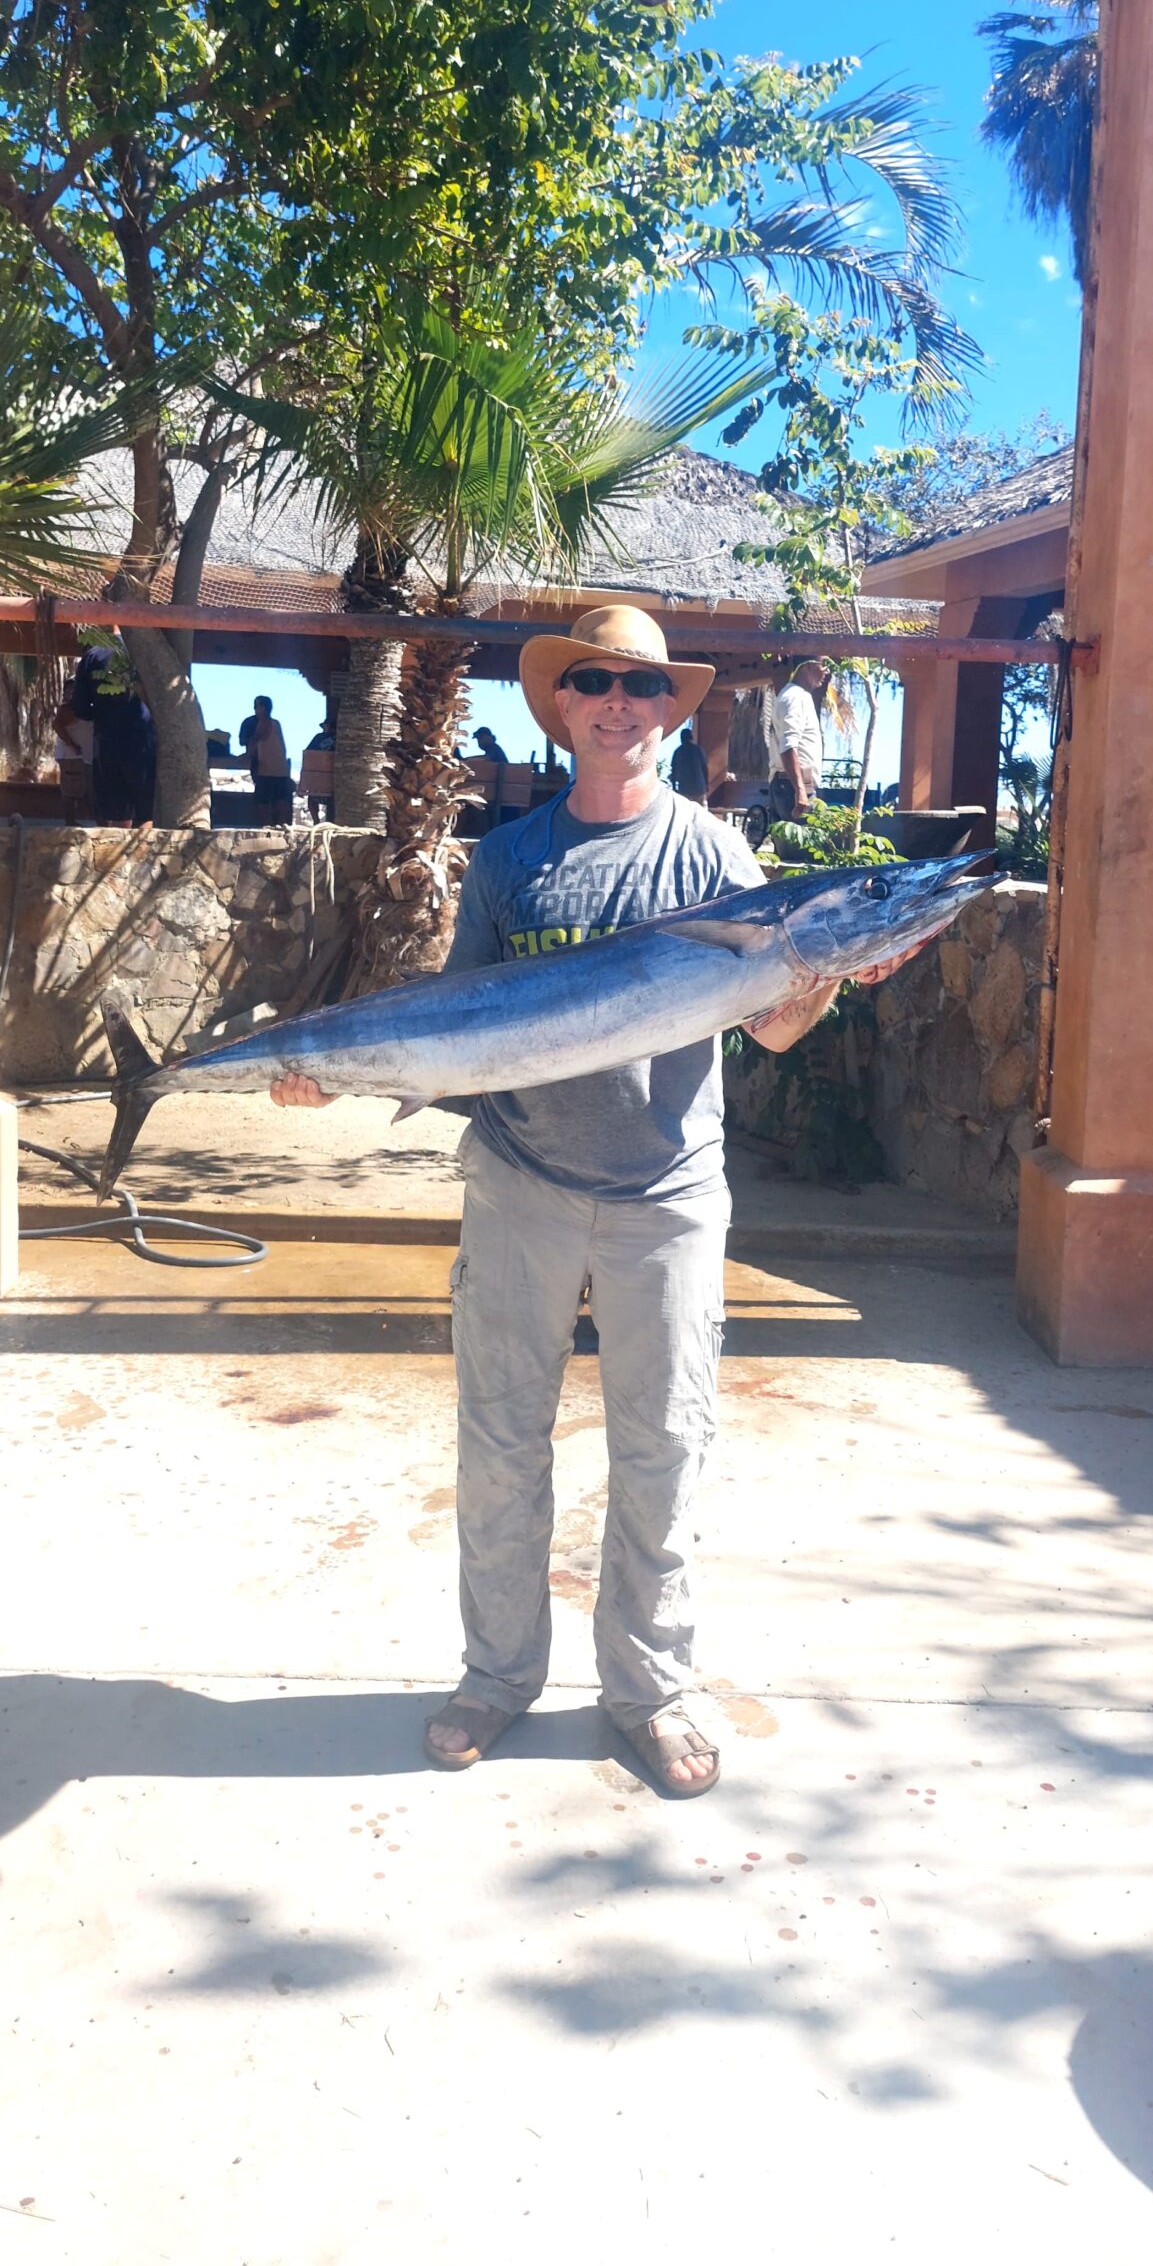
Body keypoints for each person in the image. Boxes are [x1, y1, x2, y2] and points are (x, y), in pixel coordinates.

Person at [269, 605, 909, 1796]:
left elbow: (770, 1022)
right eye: (597, 682)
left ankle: (649, 1689)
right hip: (519, 1188)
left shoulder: (717, 860)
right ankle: (497, 1676)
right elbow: (458, 1023)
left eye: (645, 685)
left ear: (671, 708)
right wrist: (333, 1068)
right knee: (501, 1443)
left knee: (664, 1449)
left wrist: (819, 971)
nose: (621, 702)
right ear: (564, 707)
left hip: (667, 1196)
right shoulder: (512, 860)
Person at [71, 646, 156, 826]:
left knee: (118, 814)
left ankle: (122, 852)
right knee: (146, 813)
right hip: (144, 739)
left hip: (108, 740)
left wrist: (103, 711)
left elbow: (80, 707)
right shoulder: (148, 650)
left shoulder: (92, 656)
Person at [771, 657, 826, 817]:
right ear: (808, 666)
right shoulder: (796, 697)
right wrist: (800, 791)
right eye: (823, 664)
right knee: (806, 841)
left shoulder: (790, 695)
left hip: (788, 785)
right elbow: (788, 746)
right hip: (794, 788)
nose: (826, 671)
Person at [241, 694, 293, 824]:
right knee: (275, 801)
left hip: (268, 770)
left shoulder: (267, 723)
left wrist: (246, 755)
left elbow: (252, 744)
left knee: (266, 802)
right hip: (276, 770)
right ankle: (274, 828)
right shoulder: (270, 723)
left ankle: (270, 828)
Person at [53, 678, 94, 821]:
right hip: (72, 757)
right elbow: (57, 725)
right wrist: (72, 744)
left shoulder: (84, 707)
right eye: (68, 689)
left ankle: (76, 820)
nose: (71, 692)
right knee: (71, 790)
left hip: (83, 758)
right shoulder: (68, 709)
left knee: (81, 789)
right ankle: (70, 821)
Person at [299, 714, 336, 823]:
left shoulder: (319, 738)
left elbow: (309, 754)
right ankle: (320, 822)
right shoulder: (338, 739)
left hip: (319, 775)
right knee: (314, 795)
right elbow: (309, 754)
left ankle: (316, 822)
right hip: (328, 775)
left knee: (312, 796)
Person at [668, 723, 710, 804]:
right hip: (699, 788)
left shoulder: (678, 752)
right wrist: (706, 784)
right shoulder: (698, 750)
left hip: (684, 789)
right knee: (701, 813)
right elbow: (705, 768)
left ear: (681, 739)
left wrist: (674, 788)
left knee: (685, 814)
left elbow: (673, 771)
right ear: (691, 737)